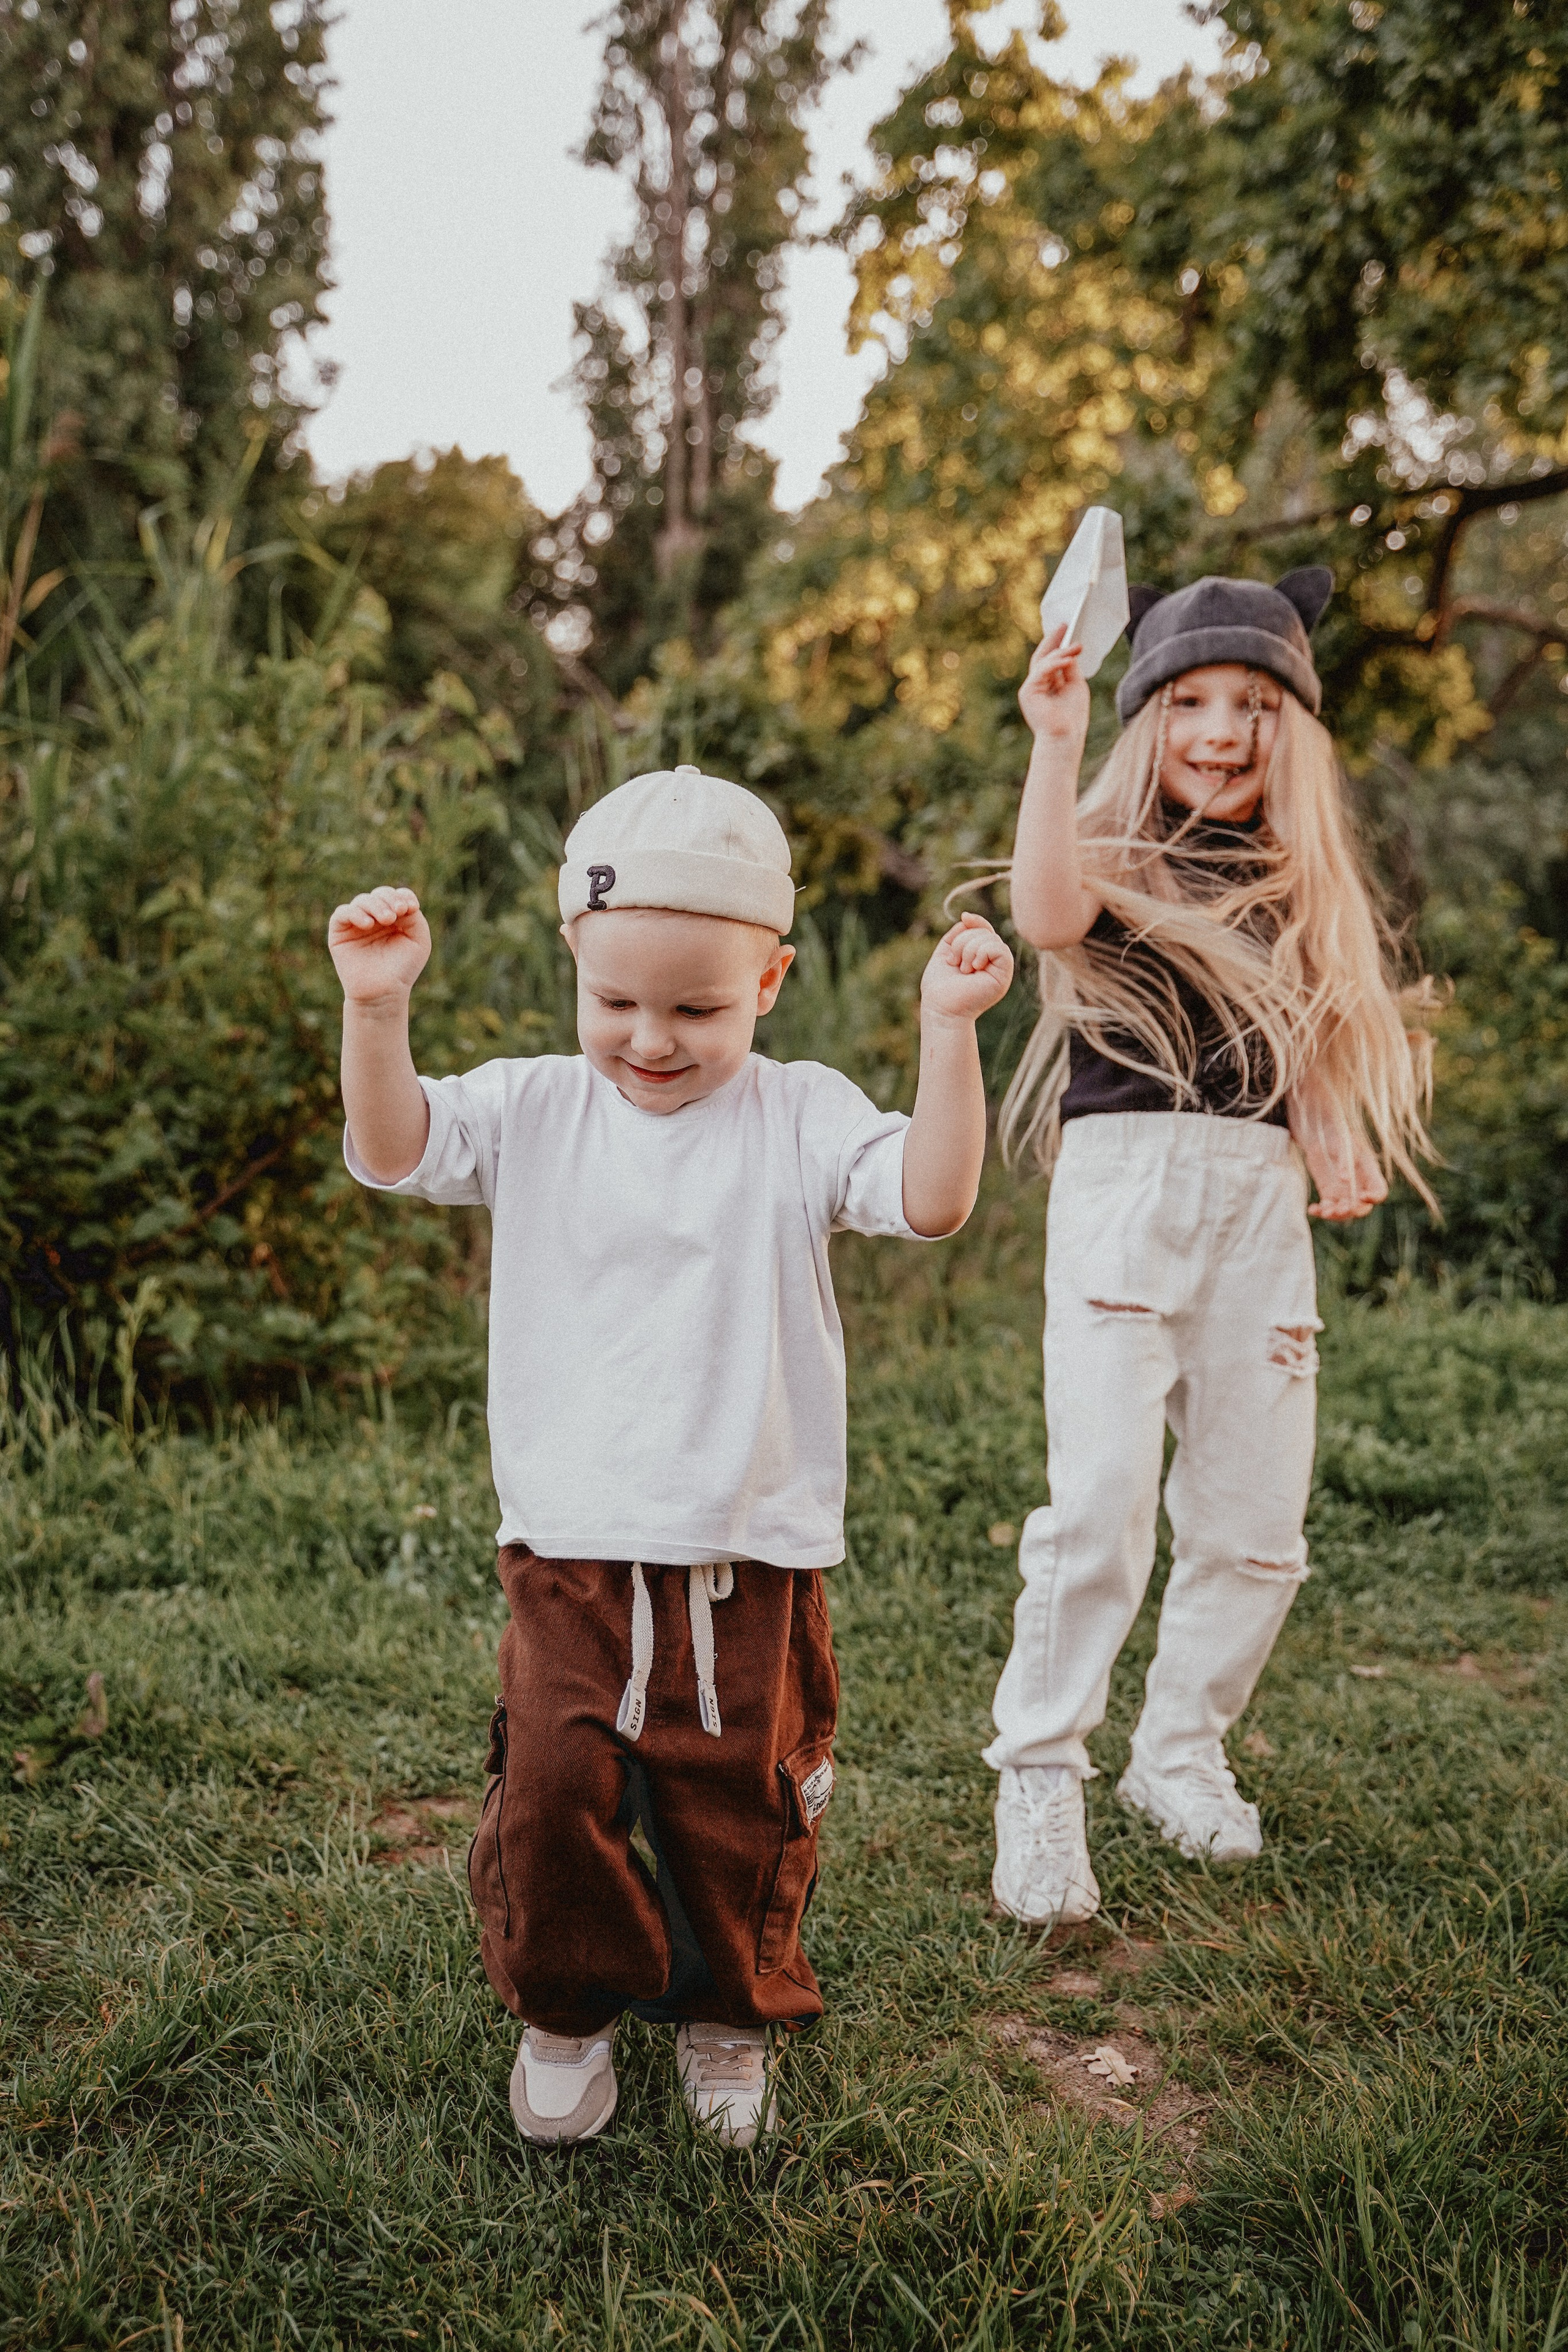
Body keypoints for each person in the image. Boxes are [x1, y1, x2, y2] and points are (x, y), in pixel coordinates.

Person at [328, 765, 1013, 2146]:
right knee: (553, 1794)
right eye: (616, 1003)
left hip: (746, 1546)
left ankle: (725, 2015)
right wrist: (376, 1007)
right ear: (573, 959)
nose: (650, 1040)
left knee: (735, 1805)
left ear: (768, 981)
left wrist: (948, 1033)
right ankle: (568, 2012)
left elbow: (932, 1199)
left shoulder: (799, 1112)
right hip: (569, 1545)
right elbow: (393, 1149)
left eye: (697, 1010)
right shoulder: (532, 1107)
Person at [985, 568, 1436, 1924]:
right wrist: (1055, 742)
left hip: (1256, 1211)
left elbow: (1308, 1024)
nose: (1223, 731)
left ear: (1291, 725)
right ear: (1148, 719)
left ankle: (1179, 1752)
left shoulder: (1300, 873)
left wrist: (1330, 1128)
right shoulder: (1114, 855)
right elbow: (1043, 916)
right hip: (1124, 1196)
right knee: (1102, 1505)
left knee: (1255, 1524)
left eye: (1253, 704)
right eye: (1190, 702)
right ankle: (1041, 1772)